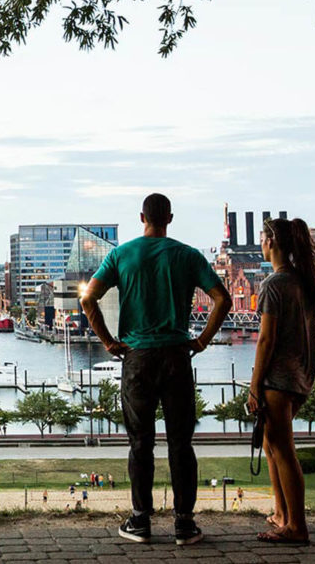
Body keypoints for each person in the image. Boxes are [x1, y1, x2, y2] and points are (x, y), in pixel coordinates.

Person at [82, 193, 232, 546]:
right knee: (181, 443)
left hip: (137, 359)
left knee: (140, 444)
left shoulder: (121, 255)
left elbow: (88, 299)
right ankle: (184, 524)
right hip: (177, 357)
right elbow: (223, 300)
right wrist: (202, 341)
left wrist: (108, 341)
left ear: (141, 217)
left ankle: (140, 521)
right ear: (170, 218)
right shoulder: (188, 255)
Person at [247, 217, 315, 545]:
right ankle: (281, 513)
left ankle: (297, 527)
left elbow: (265, 339)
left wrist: (254, 384)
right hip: (301, 376)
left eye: (263, 237)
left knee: (283, 450)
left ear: (272, 242)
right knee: (270, 443)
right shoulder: (303, 281)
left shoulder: (274, 285)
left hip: (278, 378)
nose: (261, 242)